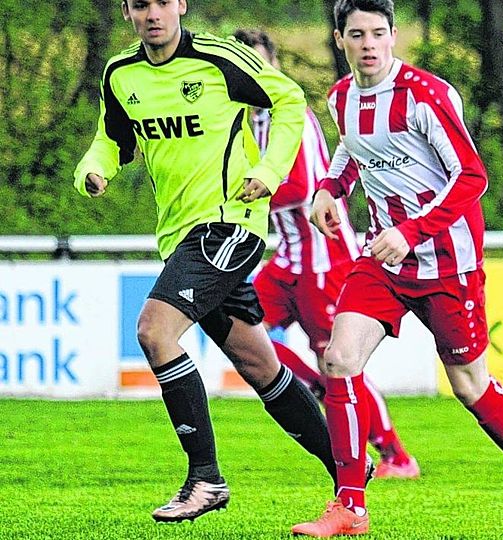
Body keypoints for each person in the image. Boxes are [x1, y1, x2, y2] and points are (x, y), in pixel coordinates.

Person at [291, 0, 503, 536]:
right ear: (339, 39)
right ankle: (350, 504)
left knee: (471, 386)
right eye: (357, 34)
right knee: (339, 358)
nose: (369, 44)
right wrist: (330, 189)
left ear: (394, 35)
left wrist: (412, 231)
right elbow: (353, 152)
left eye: (378, 32)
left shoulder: (426, 95)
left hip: (448, 264)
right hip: (383, 260)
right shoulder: (341, 99)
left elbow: (471, 176)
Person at [74, 0, 341, 524]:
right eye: (140, 4)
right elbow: (112, 139)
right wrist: (93, 167)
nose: (152, 13)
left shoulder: (221, 60)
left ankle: (206, 479)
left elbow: (289, 100)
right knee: (259, 364)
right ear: (128, 12)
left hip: (229, 224)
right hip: (178, 236)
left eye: (161, 2)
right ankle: (347, 467)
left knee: (154, 330)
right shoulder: (121, 74)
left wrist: (269, 168)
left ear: (180, 6)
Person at [234, 28, 420, 480]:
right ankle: (318, 384)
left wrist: (241, 194)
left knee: (341, 359)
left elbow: (299, 187)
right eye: (243, 68)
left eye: (259, 66)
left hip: (324, 261)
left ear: (274, 66)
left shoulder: (289, 115)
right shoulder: (240, 122)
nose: (253, 78)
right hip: (286, 263)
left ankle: (396, 455)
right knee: (240, 329)